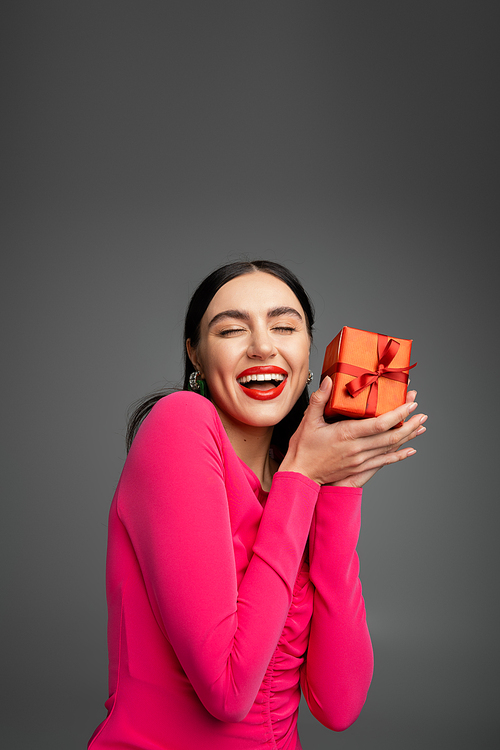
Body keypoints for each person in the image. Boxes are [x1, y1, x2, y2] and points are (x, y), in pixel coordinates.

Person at [88, 260, 427, 750]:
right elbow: (228, 693)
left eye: (285, 326)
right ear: (195, 356)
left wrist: (339, 491)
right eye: (230, 329)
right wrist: (302, 477)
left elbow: (339, 703)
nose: (263, 346)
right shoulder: (179, 425)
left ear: (310, 352)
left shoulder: (296, 485)